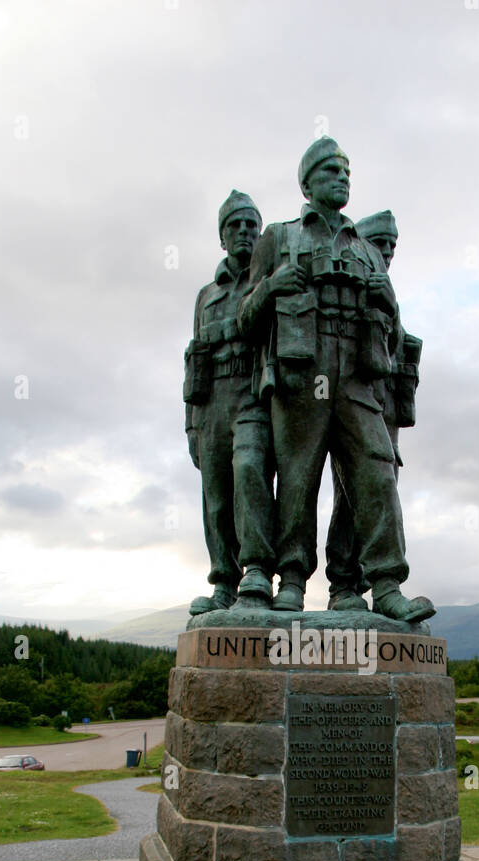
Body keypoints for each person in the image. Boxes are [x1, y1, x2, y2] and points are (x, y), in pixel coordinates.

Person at [236, 138, 434, 622]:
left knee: (376, 469)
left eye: (345, 171)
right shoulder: (278, 239)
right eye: (329, 171)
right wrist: (268, 288)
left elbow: (393, 322)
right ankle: (292, 581)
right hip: (303, 371)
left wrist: (388, 298)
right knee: (298, 478)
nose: (341, 178)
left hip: (356, 376)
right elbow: (246, 321)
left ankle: (383, 585)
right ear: (306, 184)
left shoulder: (366, 248)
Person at [184, 190, 277, 615]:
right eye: (235, 226)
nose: (244, 232)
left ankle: (257, 570)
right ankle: (223, 581)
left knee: (249, 470)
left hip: (251, 392)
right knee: (216, 494)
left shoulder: (267, 279)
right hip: (211, 403)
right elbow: (194, 359)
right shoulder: (206, 295)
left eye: (251, 226)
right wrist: (191, 424)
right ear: (222, 237)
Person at [325, 209, 422, 609]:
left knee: (379, 485)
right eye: (380, 244)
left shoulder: (387, 294)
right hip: (342, 395)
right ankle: (344, 583)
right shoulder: (349, 284)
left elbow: (395, 349)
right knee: (348, 497)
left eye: (392, 247)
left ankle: (372, 583)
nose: (386, 253)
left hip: (383, 410)